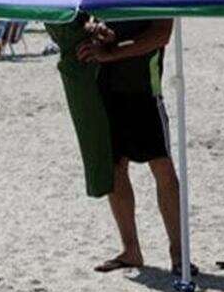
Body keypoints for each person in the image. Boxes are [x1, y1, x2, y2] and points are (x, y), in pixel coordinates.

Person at [78, 17, 187, 276]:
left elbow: (161, 35)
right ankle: (131, 250)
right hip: (105, 89)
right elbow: (89, 22)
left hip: (144, 90)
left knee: (162, 167)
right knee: (115, 168)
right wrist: (95, 30)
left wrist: (113, 52)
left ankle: (179, 252)